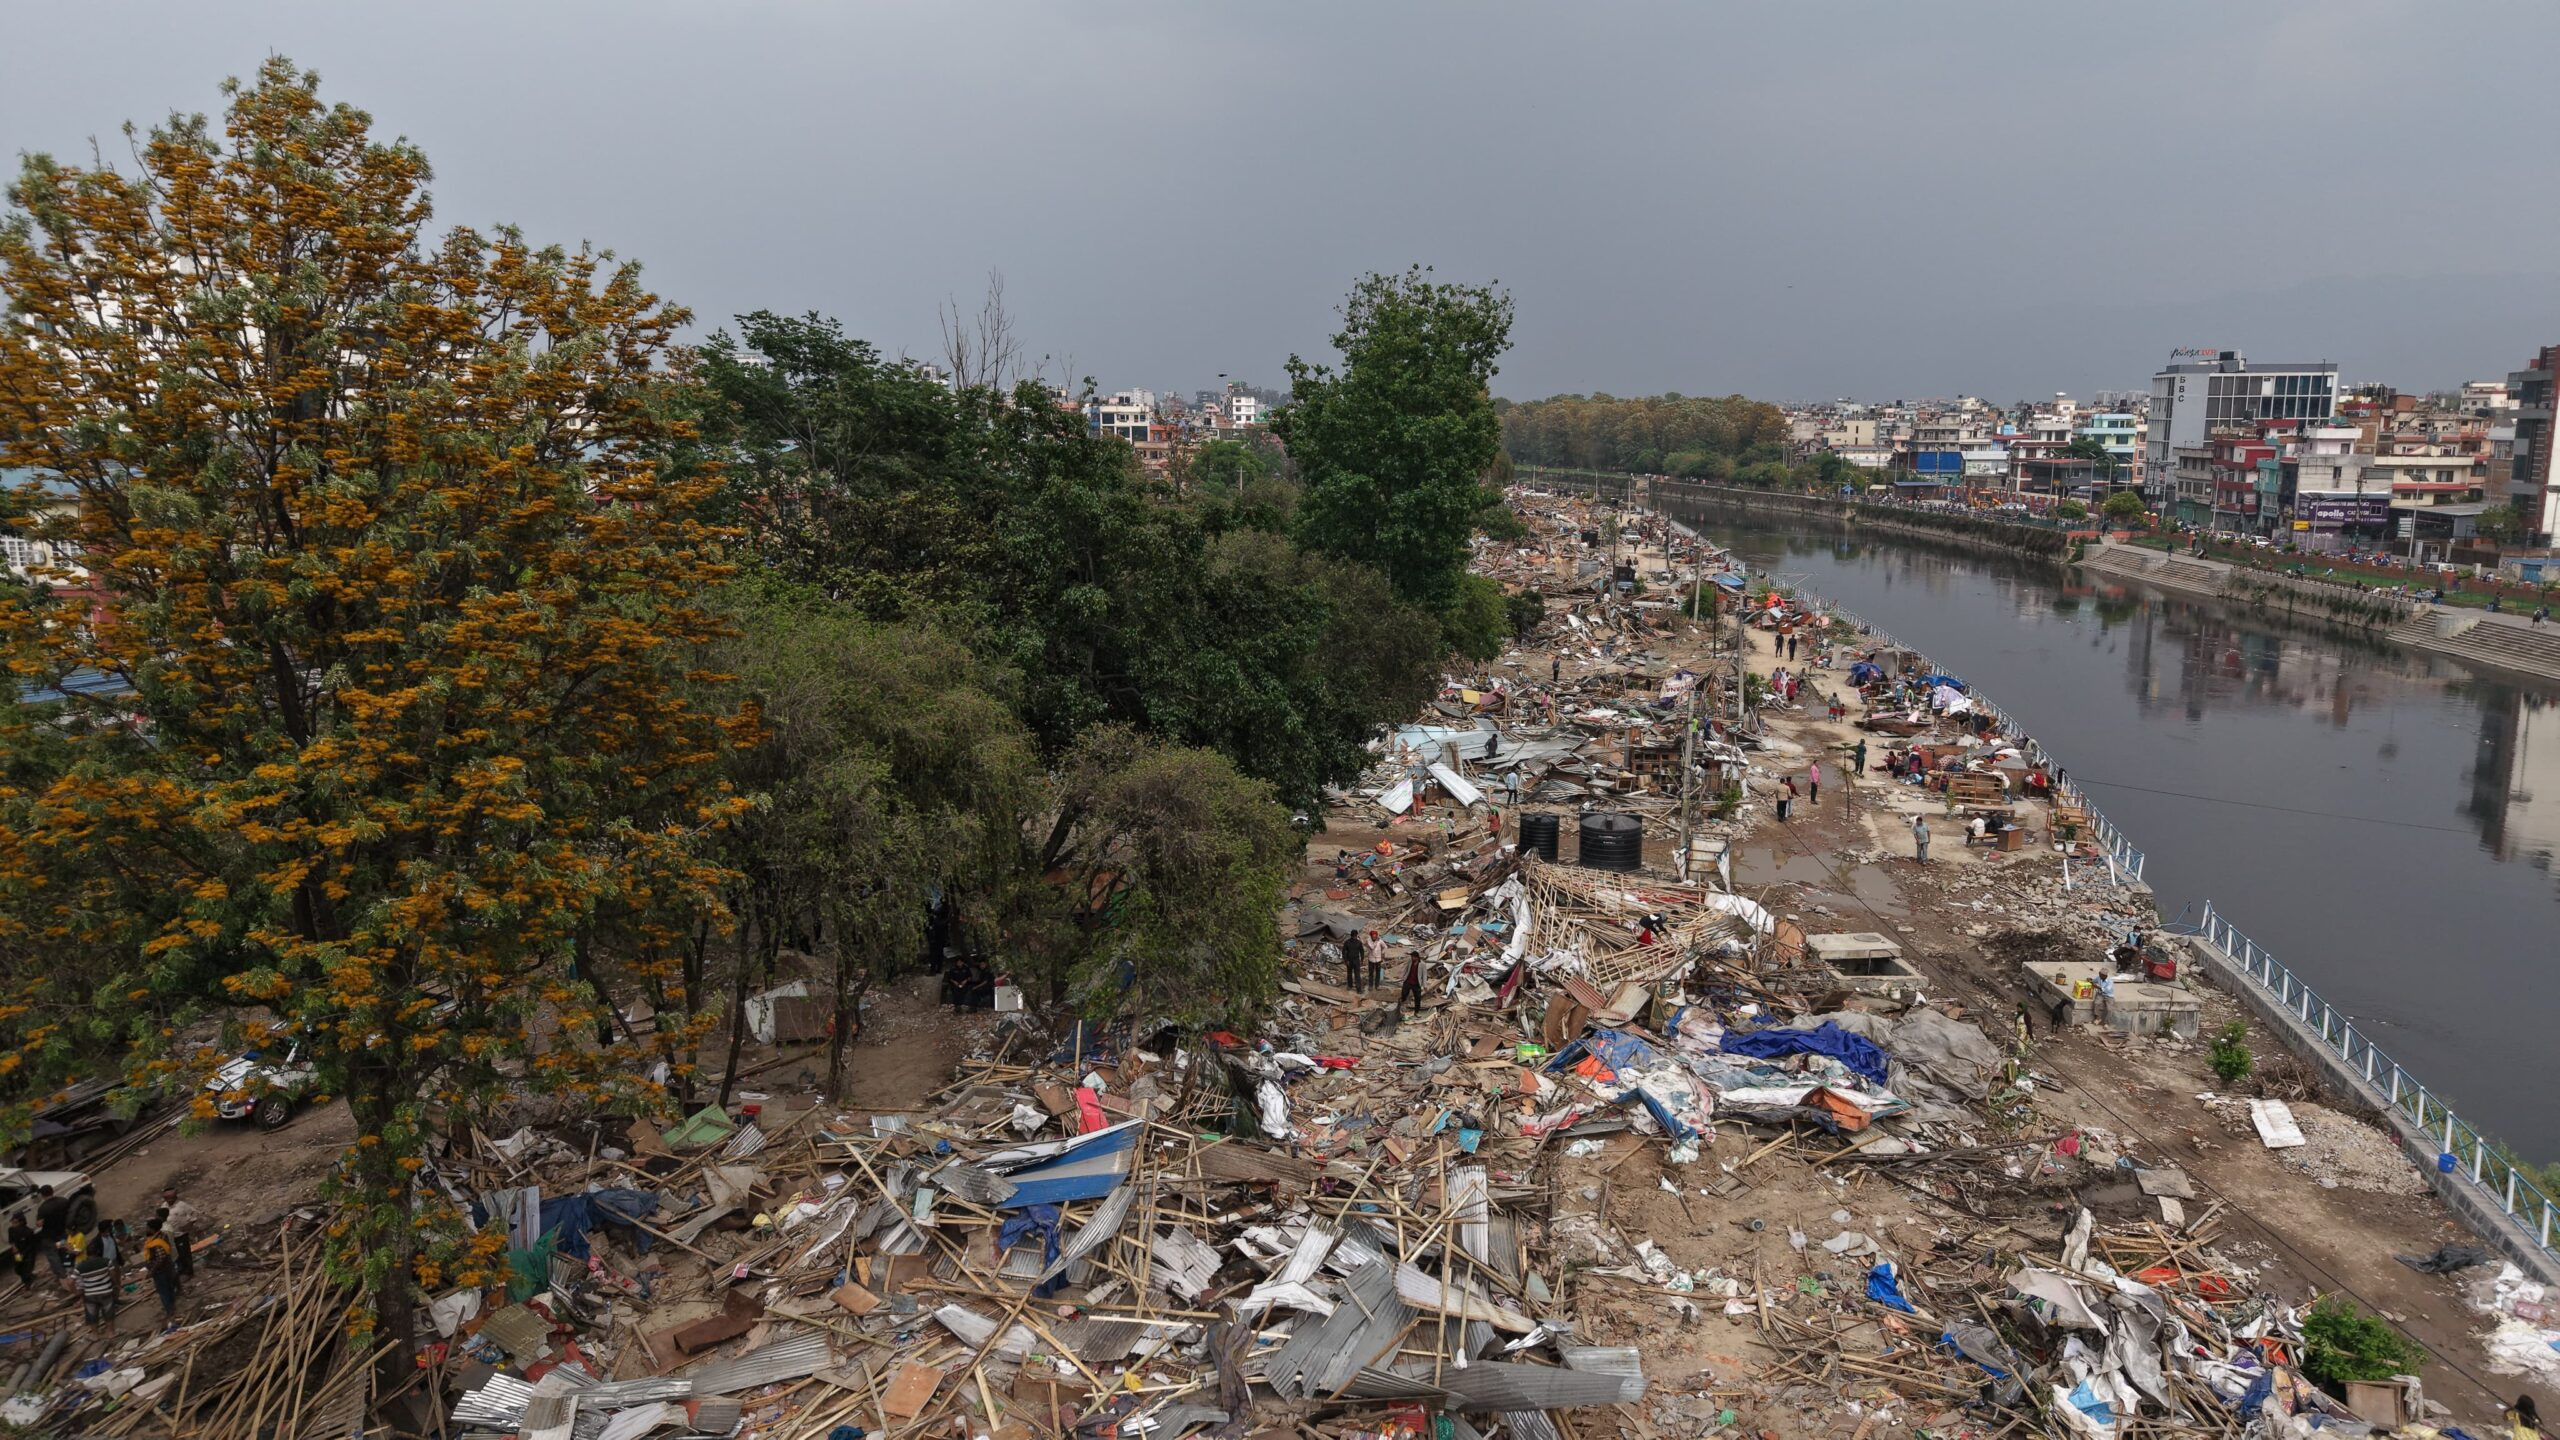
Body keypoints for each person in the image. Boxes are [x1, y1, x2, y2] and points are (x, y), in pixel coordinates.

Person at [141, 1218, 179, 1328]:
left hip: (160, 1270)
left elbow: (160, 1258)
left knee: (163, 1291)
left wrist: (152, 1271)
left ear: (152, 1229)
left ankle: (170, 1312)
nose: (146, 1229)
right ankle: (172, 1308)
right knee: (169, 1288)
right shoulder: (161, 1235)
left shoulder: (156, 1242)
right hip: (168, 1267)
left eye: (147, 1227)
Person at [158, 1190, 201, 1281]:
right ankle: (181, 1270)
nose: (169, 1200)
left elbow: (194, 1213)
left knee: (184, 1253)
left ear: (175, 1197)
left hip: (181, 1234)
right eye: (167, 1198)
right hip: (170, 1235)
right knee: (176, 1254)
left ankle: (188, 1272)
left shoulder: (182, 1205)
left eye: (171, 1198)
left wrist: (189, 1225)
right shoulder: (164, 1206)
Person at [73, 1239, 113, 1327]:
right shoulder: (106, 1261)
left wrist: (76, 1293)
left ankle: (95, 1336)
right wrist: (113, 1285)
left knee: (92, 1315)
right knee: (108, 1313)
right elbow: (112, 1275)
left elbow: (70, 1281)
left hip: (90, 1294)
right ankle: (111, 1333)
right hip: (106, 1291)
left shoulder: (80, 1266)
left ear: (87, 1253)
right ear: (98, 1251)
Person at [6, 1214, 35, 1288]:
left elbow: (31, 1245)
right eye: (12, 1222)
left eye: (15, 1222)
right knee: (18, 1268)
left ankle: (28, 1285)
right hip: (18, 1253)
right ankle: (26, 1279)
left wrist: (24, 1254)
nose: (13, 1224)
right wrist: (14, 1247)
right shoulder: (11, 1230)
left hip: (27, 1253)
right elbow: (11, 1240)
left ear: (21, 1222)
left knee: (26, 1268)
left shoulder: (28, 1232)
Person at [1397, 947, 1425, 1016]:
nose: (1412, 958)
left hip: (1416, 983)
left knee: (1417, 998)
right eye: (1412, 956)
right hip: (1408, 981)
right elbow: (1406, 969)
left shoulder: (1422, 964)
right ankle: (1400, 1008)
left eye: (1413, 957)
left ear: (1417, 957)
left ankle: (1416, 1012)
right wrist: (1403, 977)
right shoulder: (1410, 962)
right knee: (1404, 994)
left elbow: (1424, 976)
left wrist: (1425, 985)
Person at [1341, 927, 1366, 992]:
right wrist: (1346, 960)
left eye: (1355, 935)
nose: (1355, 937)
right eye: (1353, 936)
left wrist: (1362, 959)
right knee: (1349, 974)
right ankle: (1350, 986)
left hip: (1356, 960)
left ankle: (1359, 989)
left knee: (1357, 974)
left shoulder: (1359, 942)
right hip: (1349, 961)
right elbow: (1343, 951)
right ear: (1351, 935)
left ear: (1357, 935)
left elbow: (1362, 951)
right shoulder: (1347, 942)